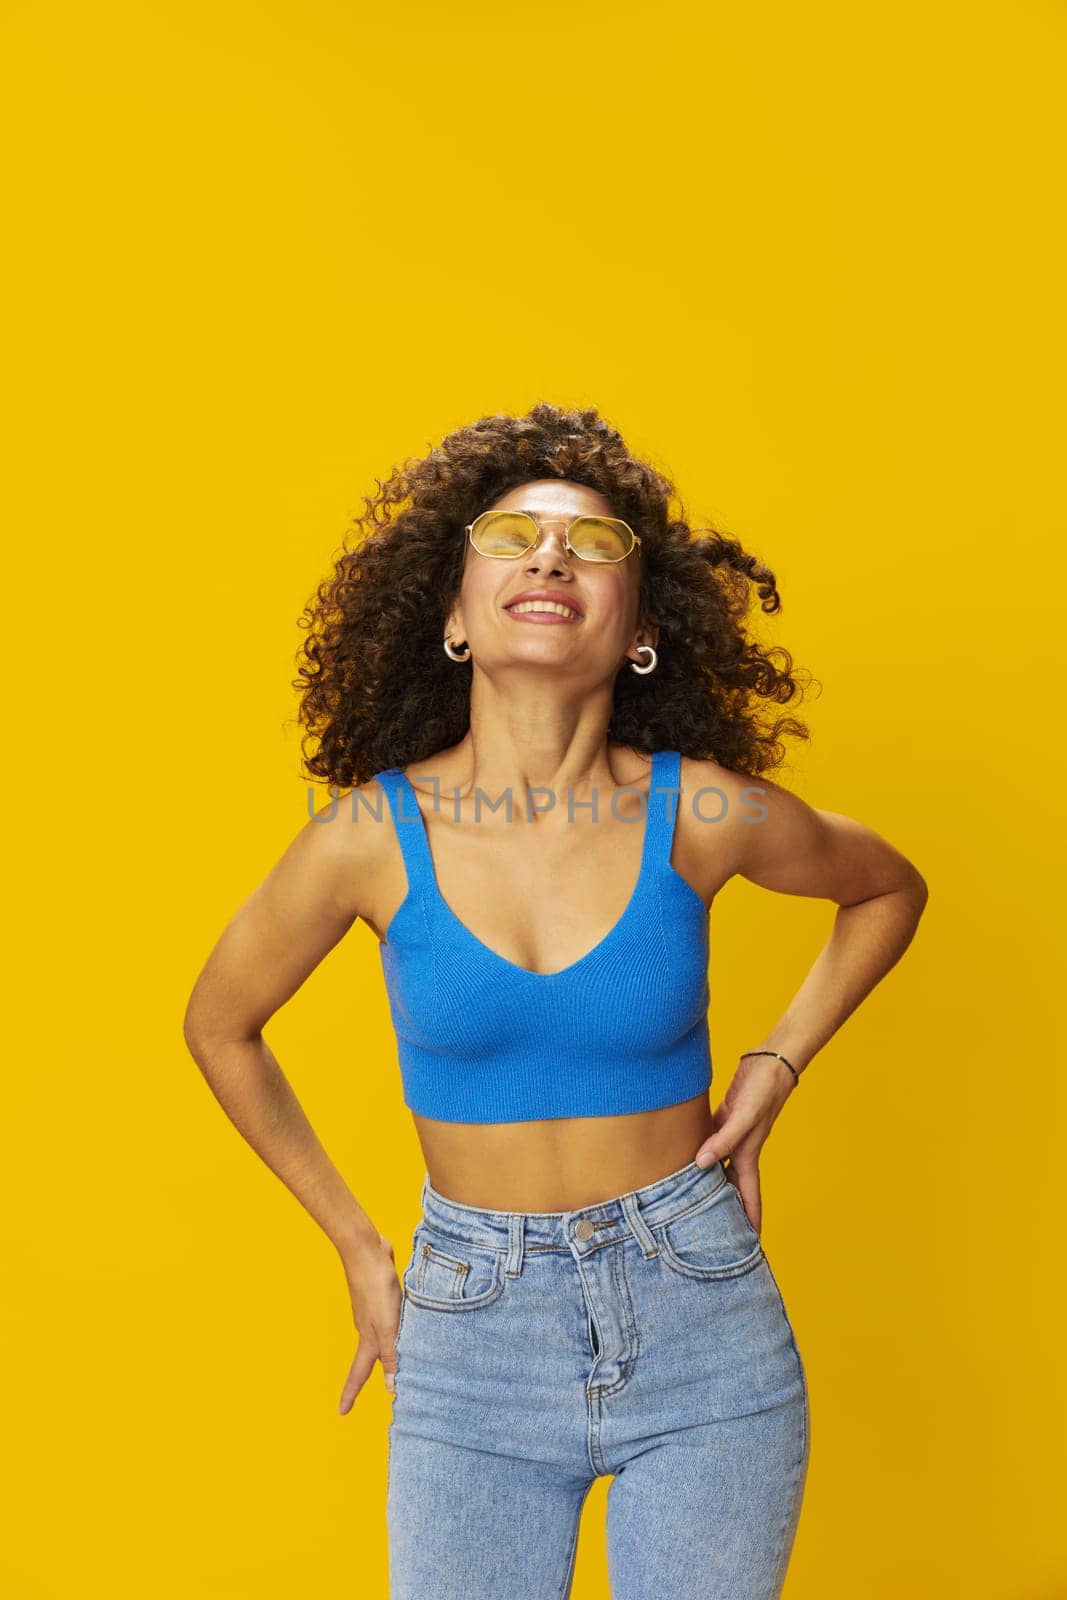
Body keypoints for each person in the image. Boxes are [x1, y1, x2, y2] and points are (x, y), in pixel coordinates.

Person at [183, 402, 928, 1599]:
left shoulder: (703, 812)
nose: (548, 557)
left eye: (591, 546)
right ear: (451, 615)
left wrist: (774, 1062)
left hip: (700, 1316)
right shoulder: (371, 835)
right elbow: (218, 1022)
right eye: (512, 536)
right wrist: (359, 1247)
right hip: (472, 1330)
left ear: (637, 626)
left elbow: (886, 887)